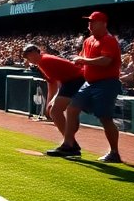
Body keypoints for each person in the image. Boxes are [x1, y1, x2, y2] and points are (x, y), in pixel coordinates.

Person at [49, 11, 123, 162]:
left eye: (93, 21)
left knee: (105, 118)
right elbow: (82, 61)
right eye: (89, 21)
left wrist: (83, 60)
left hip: (106, 83)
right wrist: (77, 63)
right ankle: (68, 145)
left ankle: (114, 152)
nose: (90, 24)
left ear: (103, 24)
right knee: (72, 109)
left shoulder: (109, 40)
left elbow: (105, 61)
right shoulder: (88, 40)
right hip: (88, 82)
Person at [22, 44, 84, 146]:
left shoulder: (45, 60)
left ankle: (70, 143)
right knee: (64, 112)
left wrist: (54, 98)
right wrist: (50, 100)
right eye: (26, 57)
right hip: (72, 82)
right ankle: (70, 142)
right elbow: (52, 82)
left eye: (28, 55)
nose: (28, 59)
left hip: (76, 81)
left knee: (55, 111)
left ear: (35, 53)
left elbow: (58, 80)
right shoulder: (42, 62)